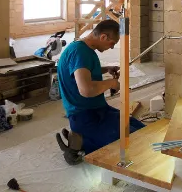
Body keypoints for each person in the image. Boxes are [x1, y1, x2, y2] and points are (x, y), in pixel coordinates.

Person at [54, 19, 144, 163]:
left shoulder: (83, 49)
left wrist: (106, 69)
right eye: (112, 43)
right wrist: (111, 83)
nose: (112, 47)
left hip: (99, 109)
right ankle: (79, 141)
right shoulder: (80, 52)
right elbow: (86, 90)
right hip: (84, 115)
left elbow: (82, 70)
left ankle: (81, 138)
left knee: (141, 130)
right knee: (130, 143)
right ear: (103, 37)